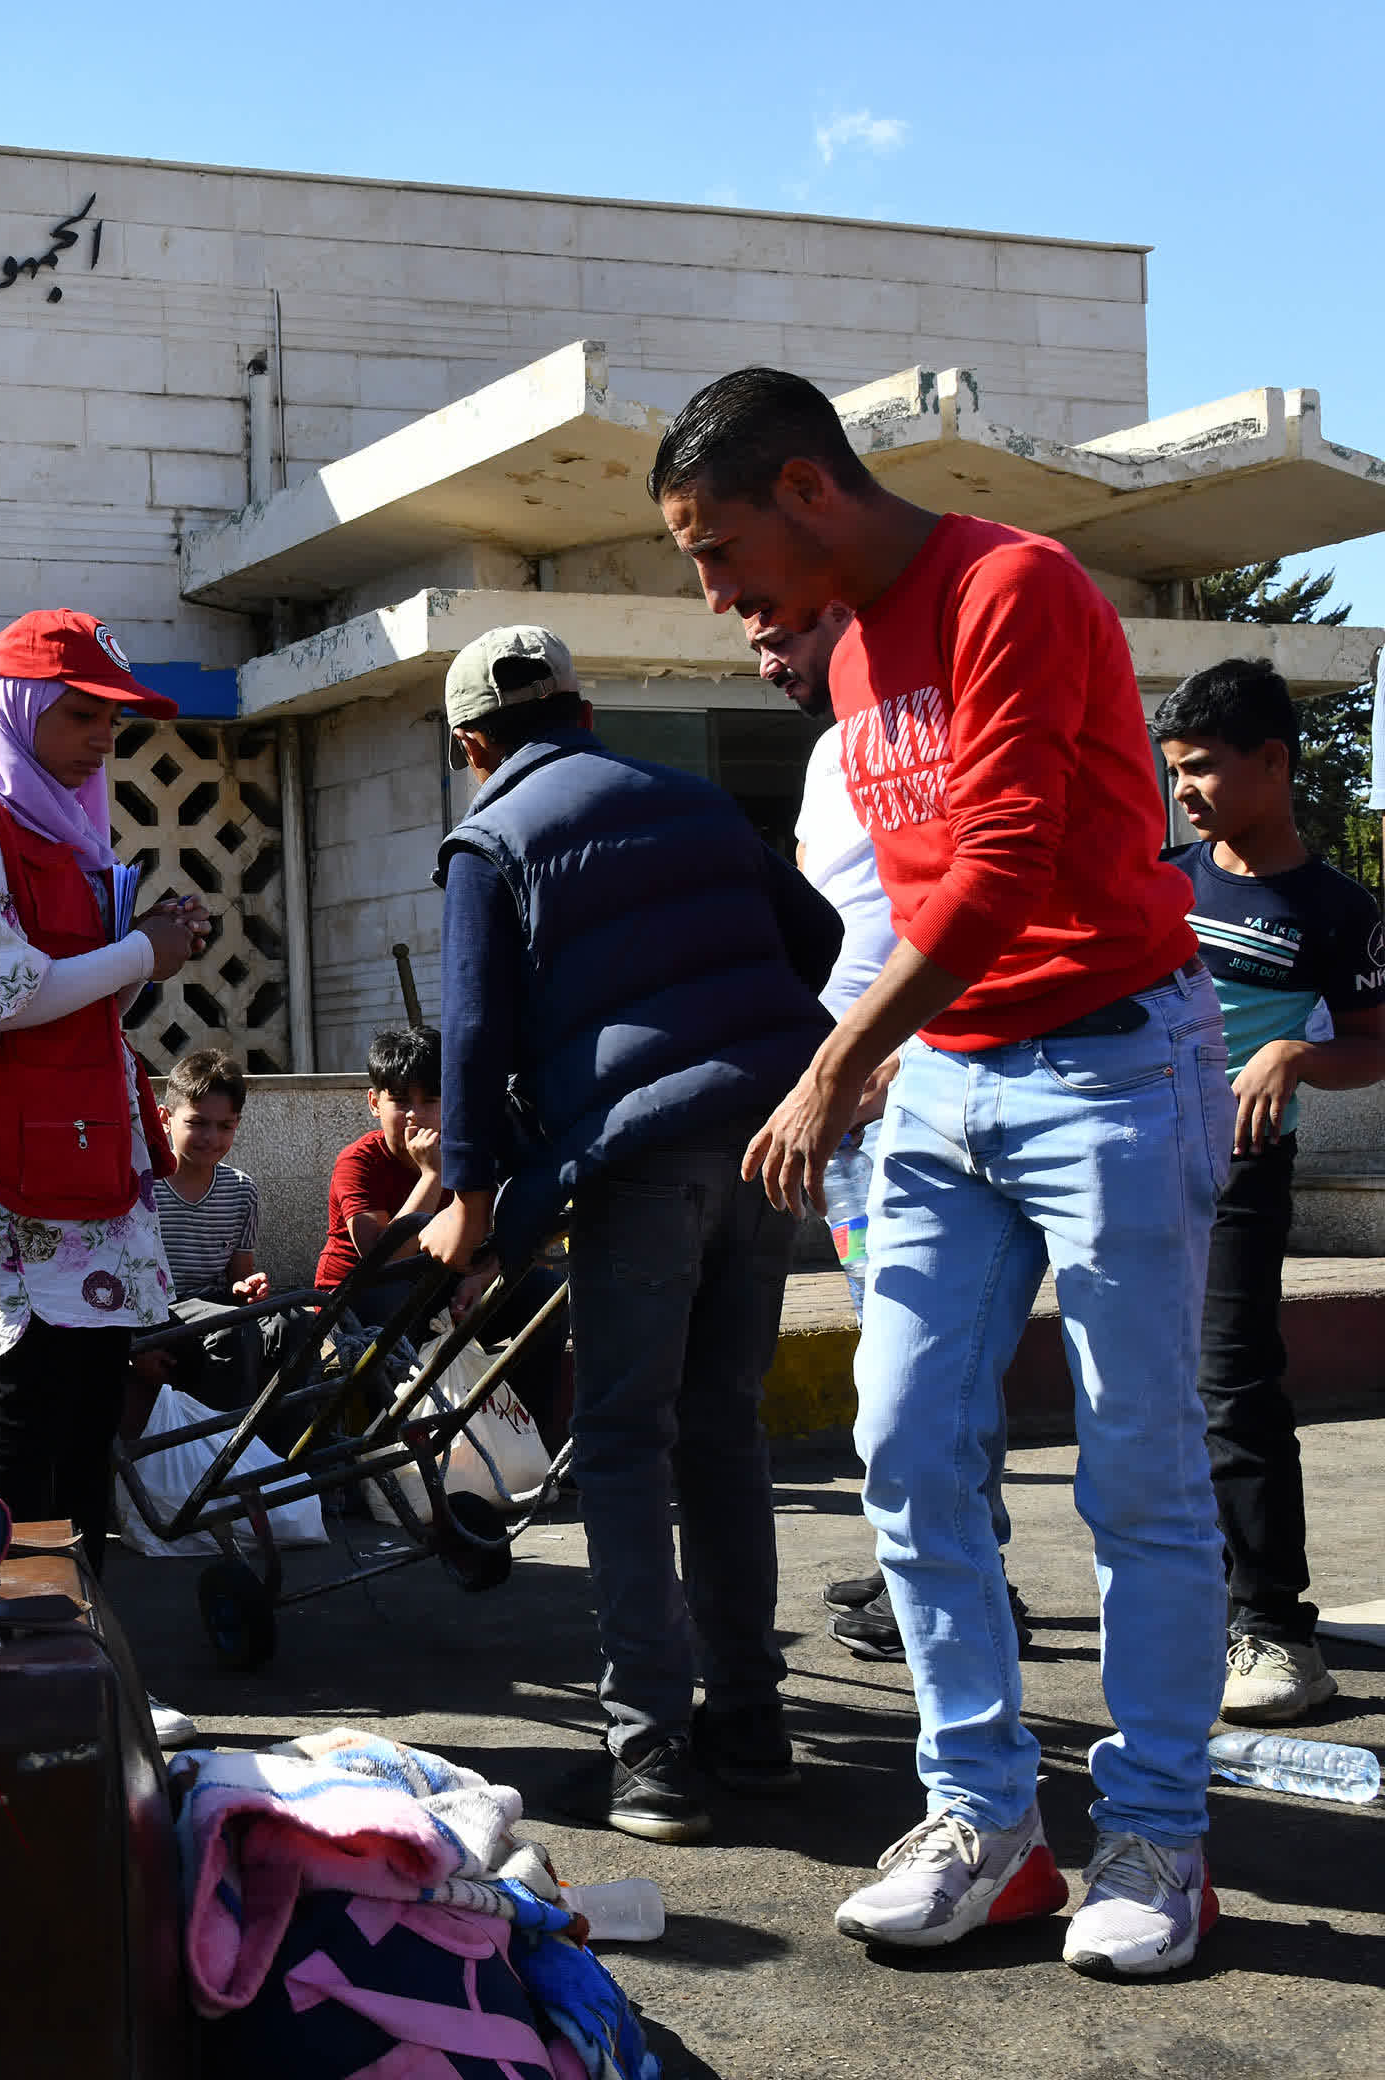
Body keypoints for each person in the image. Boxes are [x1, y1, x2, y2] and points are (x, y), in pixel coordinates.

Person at [656, 366, 1229, 1976]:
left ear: (808, 490)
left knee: (1138, 1471)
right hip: (950, 1082)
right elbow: (896, 898)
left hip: (1117, 1065)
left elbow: (1003, 864)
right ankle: (985, 1822)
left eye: (717, 551)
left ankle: (1162, 1838)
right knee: (904, 1444)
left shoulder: (1011, 587)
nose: (717, 597)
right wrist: (884, 1055)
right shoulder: (848, 652)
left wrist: (833, 1068)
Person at [413, 623, 839, 1847]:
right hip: (765, 1141)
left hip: (637, 1161)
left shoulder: (490, 839)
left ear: (470, 746)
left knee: (617, 1444)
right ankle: (750, 1727)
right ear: (584, 713)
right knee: (721, 1434)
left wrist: (472, 1200)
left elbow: (477, 1035)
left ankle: (646, 1752)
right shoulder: (701, 805)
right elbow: (812, 942)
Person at [0, 608, 206, 1578]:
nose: (103, 735)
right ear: (15, 710)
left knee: (91, 1400)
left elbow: (83, 994)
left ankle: (77, 1635)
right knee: (30, 1403)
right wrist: (144, 949)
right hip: (15, 1164)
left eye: (112, 716)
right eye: (79, 712)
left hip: (83, 1149)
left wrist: (145, 949)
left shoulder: (65, 820)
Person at [757, 607, 1031, 1666]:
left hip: (912, 1093)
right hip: (846, 1108)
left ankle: (977, 1575)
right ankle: (914, 1554)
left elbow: (976, 909)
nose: (770, 661)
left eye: (781, 635)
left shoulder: (936, 727)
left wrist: (897, 1064)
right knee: (898, 1351)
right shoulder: (832, 754)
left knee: (927, 1356)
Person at [1154, 657, 1385, 1726]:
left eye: (1201, 769)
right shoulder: (1158, 877)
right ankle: (1184, 1607)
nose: (1185, 791)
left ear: (1274, 761)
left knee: (1231, 1389)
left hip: (1240, 1174)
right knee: (1140, 1401)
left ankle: (1275, 1630)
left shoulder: (1338, 909)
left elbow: (1375, 1048)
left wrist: (1296, 1051)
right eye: (1174, 773)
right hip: (1124, 1163)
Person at [143, 1047, 270, 1404]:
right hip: (162, 1313)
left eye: (224, 1126)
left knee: (294, 1324)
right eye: (197, 1123)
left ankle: (294, 1446)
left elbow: (238, 1281)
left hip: (215, 1306)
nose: (211, 1138)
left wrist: (250, 1290)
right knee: (232, 1329)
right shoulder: (141, 1188)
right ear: (165, 1118)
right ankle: (230, 1445)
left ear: (237, 1125)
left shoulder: (242, 1190)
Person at [314, 1026, 447, 1292]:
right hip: (355, 1298)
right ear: (375, 1103)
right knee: (394, 1292)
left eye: (431, 1100)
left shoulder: (463, 1151)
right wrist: (432, 1176)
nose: (414, 1114)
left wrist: (479, 1277)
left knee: (531, 1283)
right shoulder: (358, 1161)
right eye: (400, 1101)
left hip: (432, 1285)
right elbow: (383, 1260)